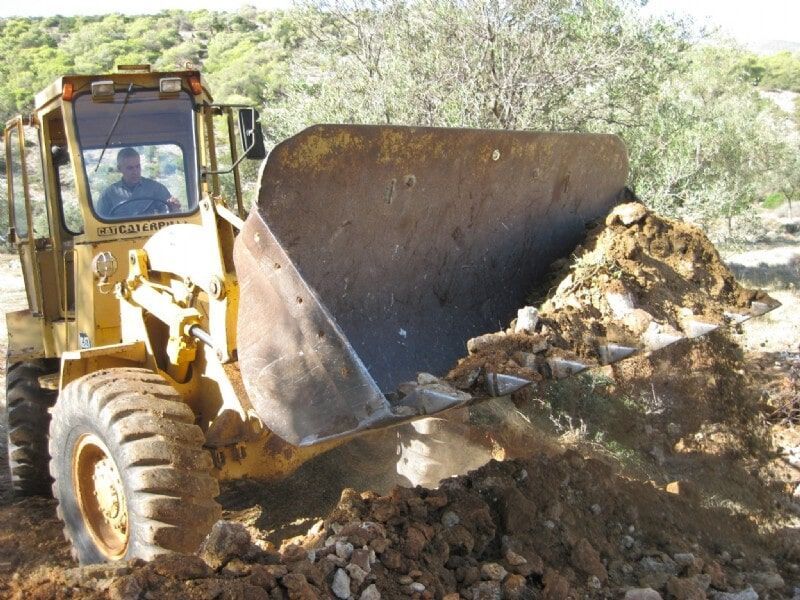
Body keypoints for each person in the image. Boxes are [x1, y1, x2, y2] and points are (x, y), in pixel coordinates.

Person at [97, 147, 181, 218]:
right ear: (119, 168)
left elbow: (170, 215)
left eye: (138, 166)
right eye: (130, 168)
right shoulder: (108, 195)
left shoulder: (156, 188)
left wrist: (174, 208)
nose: (135, 171)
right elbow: (100, 223)